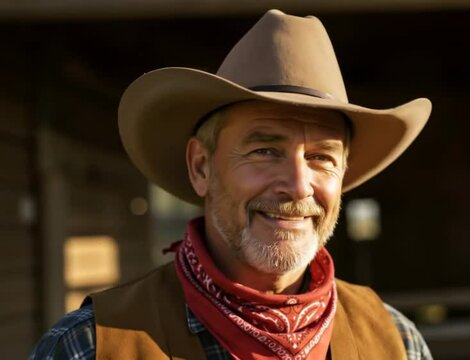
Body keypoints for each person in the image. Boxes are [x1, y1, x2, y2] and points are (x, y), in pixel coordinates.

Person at [31, 9, 433, 360]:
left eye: (321, 158)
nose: (297, 185)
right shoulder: (90, 347)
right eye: (265, 151)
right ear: (201, 166)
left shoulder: (397, 341)